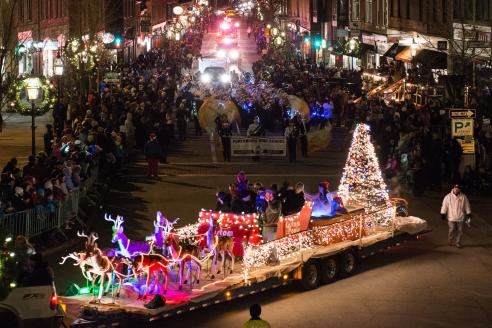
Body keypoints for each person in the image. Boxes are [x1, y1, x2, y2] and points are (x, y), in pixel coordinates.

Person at [440, 184, 471, 248]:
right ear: (453, 189)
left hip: (460, 217)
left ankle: (458, 242)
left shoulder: (463, 197)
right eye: (455, 188)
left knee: (460, 231)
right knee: (452, 229)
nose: (456, 189)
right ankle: (450, 241)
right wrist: (443, 213)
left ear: (459, 189)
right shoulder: (448, 197)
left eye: (458, 188)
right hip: (451, 217)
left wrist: (468, 213)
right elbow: (444, 206)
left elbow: (467, 205)